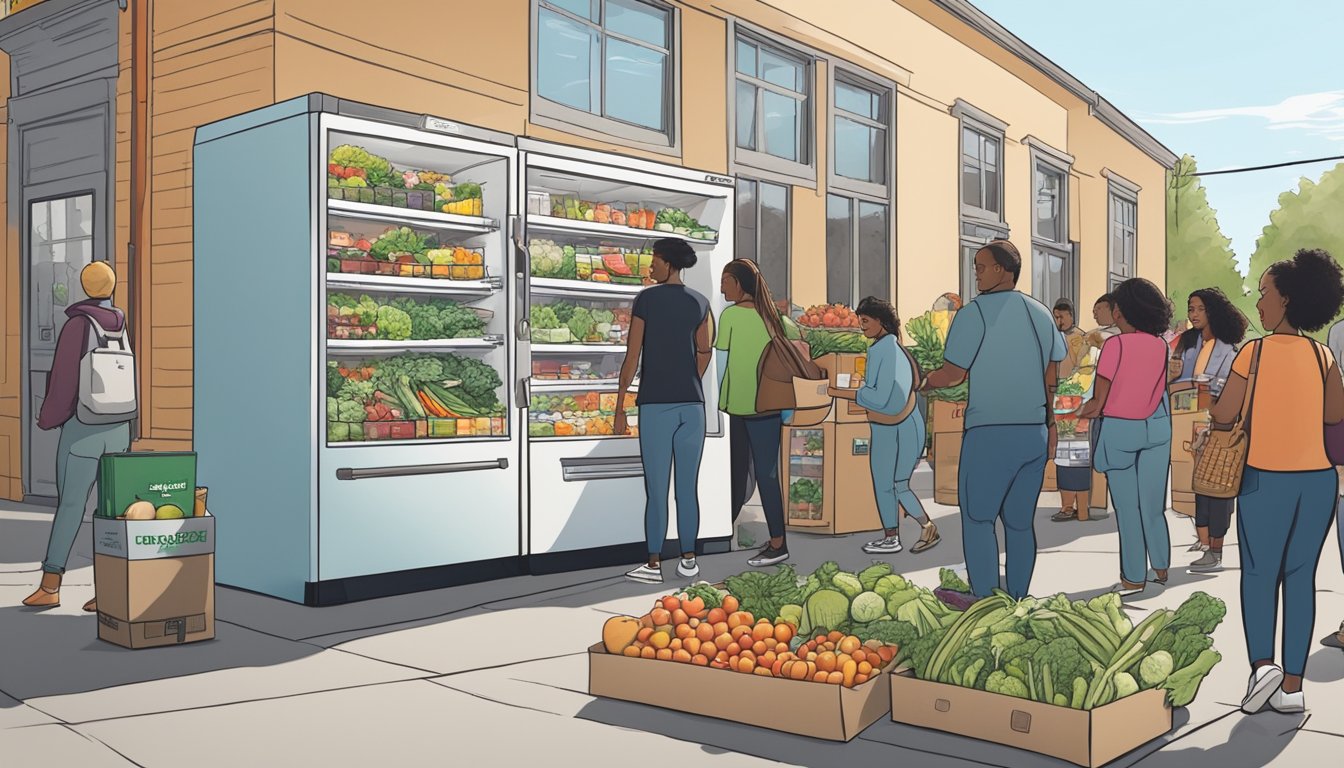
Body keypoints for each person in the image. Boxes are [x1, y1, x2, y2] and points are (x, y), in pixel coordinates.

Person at [1209, 249, 1344, 715]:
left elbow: (1224, 413)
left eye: (1264, 293)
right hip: (1317, 482)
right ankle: (1293, 686)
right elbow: (1335, 417)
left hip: (1265, 478)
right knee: (1301, 577)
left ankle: (1262, 667)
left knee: (1259, 574)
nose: (1259, 302)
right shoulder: (1322, 353)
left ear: (1286, 299)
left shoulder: (1254, 352)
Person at [920, 241, 1065, 599]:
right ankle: (1017, 597)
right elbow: (1052, 374)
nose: (977, 273)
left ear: (1002, 269)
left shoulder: (975, 313)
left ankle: (985, 599)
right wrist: (1049, 424)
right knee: (1019, 524)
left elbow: (953, 374)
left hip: (989, 434)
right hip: (1032, 433)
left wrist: (922, 381)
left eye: (981, 266)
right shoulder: (1040, 312)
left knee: (979, 519)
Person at [22, 262, 133, 611]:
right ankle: (109, 591)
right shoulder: (121, 325)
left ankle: (50, 585)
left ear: (85, 288)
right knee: (111, 511)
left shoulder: (78, 325)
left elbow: (64, 381)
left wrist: (47, 418)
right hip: (119, 428)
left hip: (83, 430)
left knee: (71, 505)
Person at [615, 239, 713, 584]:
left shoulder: (646, 300)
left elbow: (632, 355)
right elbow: (705, 350)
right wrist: (689, 379)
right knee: (687, 487)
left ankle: (654, 563)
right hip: (692, 407)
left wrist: (619, 405)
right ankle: (689, 560)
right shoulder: (701, 302)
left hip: (655, 405)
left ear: (670, 264)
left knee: (657, 488)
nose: (650, 267)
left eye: (655, 260)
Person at [1078, 278, 1174, 597]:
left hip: (1122, 428)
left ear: (1122, 311)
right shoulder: (1160, 344)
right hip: (1157, 427)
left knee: (1128, 508)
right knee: (1152, 504)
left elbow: (1099, 399)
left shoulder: (1114, 345)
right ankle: (1160, 565)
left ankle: (1133, 577)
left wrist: (1078, 412)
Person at [831, 297, 940, 555]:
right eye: (860, 320)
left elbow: (881, 398)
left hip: (895, 428)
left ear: (881, 321)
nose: (861, 326)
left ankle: (909, 532)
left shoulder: (885, 350)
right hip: (898, 426)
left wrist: (842, 392)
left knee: (891, 484)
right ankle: (905, 533)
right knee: (892, 484)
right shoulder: (890, 347)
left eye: (866, 321)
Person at [716, 259, 802, 567]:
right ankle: (775, 539)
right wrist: (788, 409)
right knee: (767, 474)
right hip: (768, 407)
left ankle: (744, 536)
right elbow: (794, 356)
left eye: (726, 280)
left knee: (739, 474)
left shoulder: (730, 317)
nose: (722, 286)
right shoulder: (775, 319)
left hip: (739, 407)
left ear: (739, 284)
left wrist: (718, 402)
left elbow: (721, 366)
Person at [1168, 288, 1248, 571]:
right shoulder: (1186, 342)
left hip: (1218, 425)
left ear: (1213, 311)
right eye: (1190, 309)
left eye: (1199, 309)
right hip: (1185, 421)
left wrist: (1201, 386)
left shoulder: (1229, 349)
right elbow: (1173, 377)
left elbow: (1229, 386)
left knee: (1217, 487)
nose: (1193, 315)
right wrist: (1175, 377)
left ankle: (1216, 548)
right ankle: (1204, 542)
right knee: (1193, 484)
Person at [1052, 298, 1093, 522]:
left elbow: (1086, 369)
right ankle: (1067, 506)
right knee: (1062, 455)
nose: (1058, 321)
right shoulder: (1052, 337)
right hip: (1058, 398)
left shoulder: (1081, 339)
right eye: (1056, 317)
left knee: (1078, 454)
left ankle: (1082, 508)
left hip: (1076, 398)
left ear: (1071, 315)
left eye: (1062, 316)